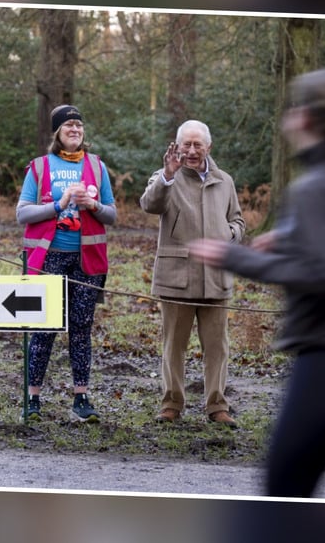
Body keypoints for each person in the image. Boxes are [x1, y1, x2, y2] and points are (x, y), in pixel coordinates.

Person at [190, 68, 325, 498]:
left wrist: (232, 256)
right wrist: (295, 238)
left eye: (293, 108)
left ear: (307, 119)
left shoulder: (315, 187)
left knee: (282, 501)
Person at [139, 119, 245, 427]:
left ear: (208, 147)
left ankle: (217, 406)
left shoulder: (225, 181)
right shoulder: (164, 177)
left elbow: (238, 221)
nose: (192, 150)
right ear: (176, 146)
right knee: (174, 346)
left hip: (216, 277)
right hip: (176, 278)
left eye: (198, 144)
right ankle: (171, 403)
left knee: (217, 348)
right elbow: (149, 204)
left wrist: (229, 234)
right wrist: (168, 176)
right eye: (186, 144)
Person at [17, 104, 116, 423]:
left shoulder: (97, 167)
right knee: (44, 328)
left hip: (87, 261)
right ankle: (32, 398)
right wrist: (57, 206)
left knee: (81, 328)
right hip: (49, 259)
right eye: (68, 125)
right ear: (57, 132)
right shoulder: (40, 166)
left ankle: (81, 398)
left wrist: (94, 205)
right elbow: (22, 213)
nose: (75, 129)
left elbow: (112, 215)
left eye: (79, 125)